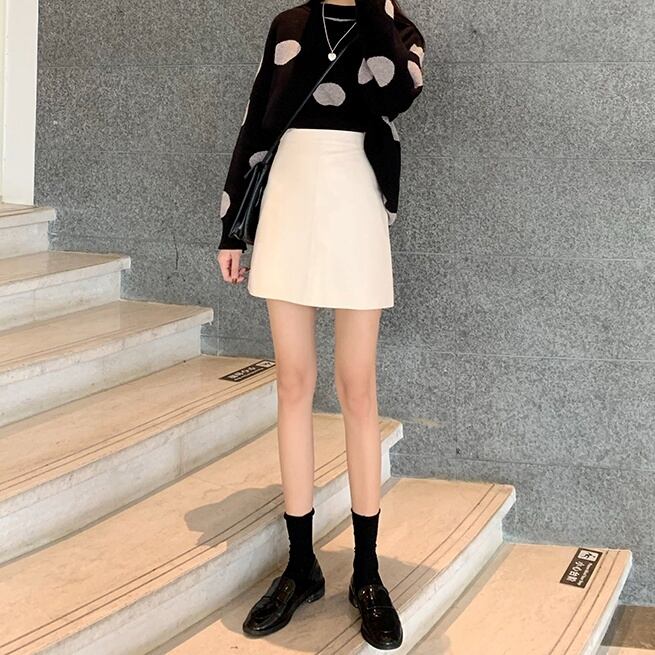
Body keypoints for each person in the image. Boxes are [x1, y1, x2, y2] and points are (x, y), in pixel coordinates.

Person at [216, 0, 425, 648]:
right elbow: (256, 120)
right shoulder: (287, 26)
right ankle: (301, 564)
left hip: (356, 198)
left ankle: (367, 571)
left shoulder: (397, 29)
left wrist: (374, 10)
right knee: (293, 383)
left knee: (357, 387)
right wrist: (231, 227)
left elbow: (399, 93)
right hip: (288, 198)